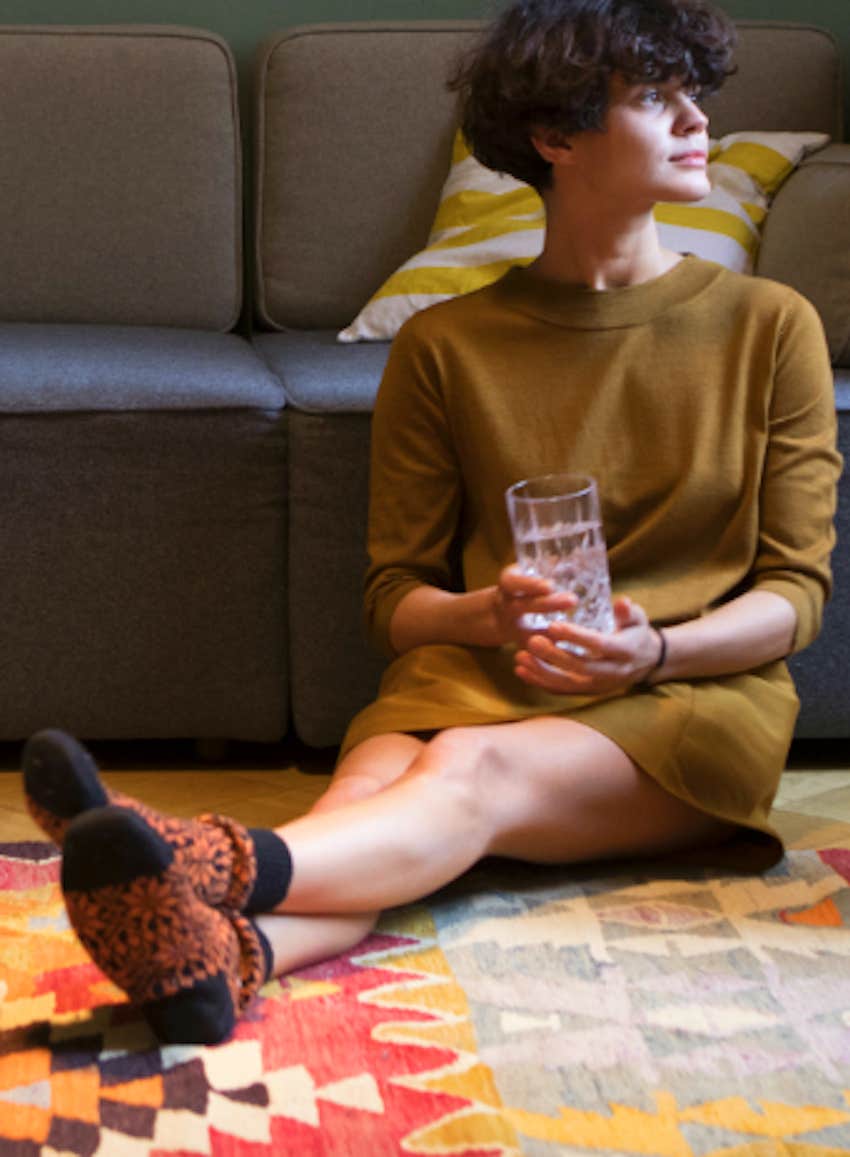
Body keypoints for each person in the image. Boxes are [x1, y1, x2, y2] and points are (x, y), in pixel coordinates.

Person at [23, 0, 841, 1046]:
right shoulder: (446, 343)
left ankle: (204, 856)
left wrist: (651, 648)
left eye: (695, 95)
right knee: (363, 810)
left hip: (691, 694)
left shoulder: (768, 326)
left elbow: (794, 596)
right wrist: (484, 614)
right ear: (555, 136)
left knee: (463, 771)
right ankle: (225, 959)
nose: (697, 122)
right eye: (654, 98)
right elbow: (394, 602)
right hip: (472, 674)